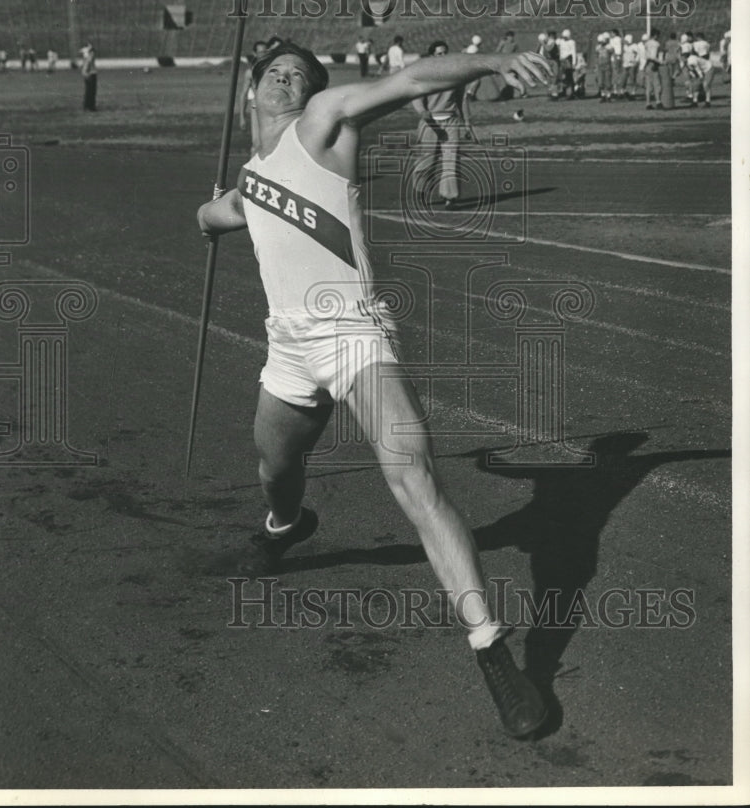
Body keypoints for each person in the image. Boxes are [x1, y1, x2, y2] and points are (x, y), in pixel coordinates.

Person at [197, 40, 551, 740]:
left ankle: (492, 652)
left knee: (412, 477)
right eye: (273, 73)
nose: (287, 81)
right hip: (289, 348)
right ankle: (284, 527)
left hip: (353, 335)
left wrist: (489, 61)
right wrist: (208, 216)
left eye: (299, 74)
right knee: (276, 468)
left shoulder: (324, 122)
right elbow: (218, 216)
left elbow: (411, 77)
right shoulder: (250, 178)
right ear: (249, 92)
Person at [410, 41, 466, 209]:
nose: (443, 56)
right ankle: (420, 190)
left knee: (451, 159)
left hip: (451, 122)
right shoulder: (424, 76)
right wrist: (422, 112)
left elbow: (461, 99)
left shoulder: (457, 75)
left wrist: (467, 122)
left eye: (445, 53)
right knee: (427, 161)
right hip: (430, 123)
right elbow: (417, 99)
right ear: (432, 56)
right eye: (439, 53)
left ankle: (450, 198)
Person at [239, 40, 269, 147]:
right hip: (256, 108)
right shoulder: (250, 73)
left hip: (272, 108)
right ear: (255, 53)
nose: (264, 55)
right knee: (256, 143)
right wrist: (242, 117)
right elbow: (243, 94)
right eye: (261, 52)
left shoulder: (274, 70)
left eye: (266, 52)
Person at [644, 28, 662, 109]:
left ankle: (648, 103)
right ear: (655, 35)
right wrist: (661, 62)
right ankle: (658, 101)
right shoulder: (656, 43)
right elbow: (653, 56)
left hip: (647, 64)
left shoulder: (647, 43)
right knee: (657, 84)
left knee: (648, 85)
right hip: (653, 64)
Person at [557, 29, 576, 99]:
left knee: (568, 77)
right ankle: (563, 91)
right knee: (562, 77)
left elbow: (573, 52)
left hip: (568, 60)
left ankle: (570, 93)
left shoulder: (572, 42)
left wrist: (574, 63)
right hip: (562, 60)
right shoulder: (560, 41)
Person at [620, 34, 639, 100]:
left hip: (632, 65)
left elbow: (638, 54)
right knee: (623, 79)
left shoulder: (634, 46)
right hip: (625, 65)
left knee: (632, 79)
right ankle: (623, 92)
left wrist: (636, 61)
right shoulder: (625, 46)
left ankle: (633, 93)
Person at [80, 43, 98, 111]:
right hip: (91, 74)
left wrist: (84, 72)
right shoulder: (90, 56)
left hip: (87, 73)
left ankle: (86, 106)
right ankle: (91, 106)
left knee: (88, 91)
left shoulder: (86, 56)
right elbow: (88, 62)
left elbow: (85, 64)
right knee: (91, 91)